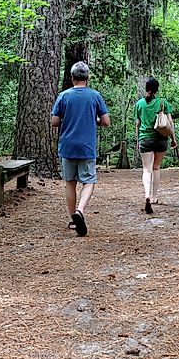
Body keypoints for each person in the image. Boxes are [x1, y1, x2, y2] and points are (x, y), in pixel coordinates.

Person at [51, 61, 110, 236]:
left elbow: (54, 122)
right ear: (87, 78)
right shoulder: (95, 96)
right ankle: (80, 211)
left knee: (70, 182)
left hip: (67, 145)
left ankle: (72, 219)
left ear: (72, 77)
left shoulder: (63, 96)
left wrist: (68, 120)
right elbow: (106, 121)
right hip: (86, 146)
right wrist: (92, 120)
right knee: (89, 181)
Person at [134, 77, 177, 214]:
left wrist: (137, 140)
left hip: (145, 139)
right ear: (157, 89)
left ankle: (146, 195)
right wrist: (173, 139)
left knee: (147, 169)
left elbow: (137, 124)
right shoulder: (163, 103)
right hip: (161, 139)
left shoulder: (139, 104)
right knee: (156, 168)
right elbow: (170, 123)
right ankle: (154, 196)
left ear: (146, 88)